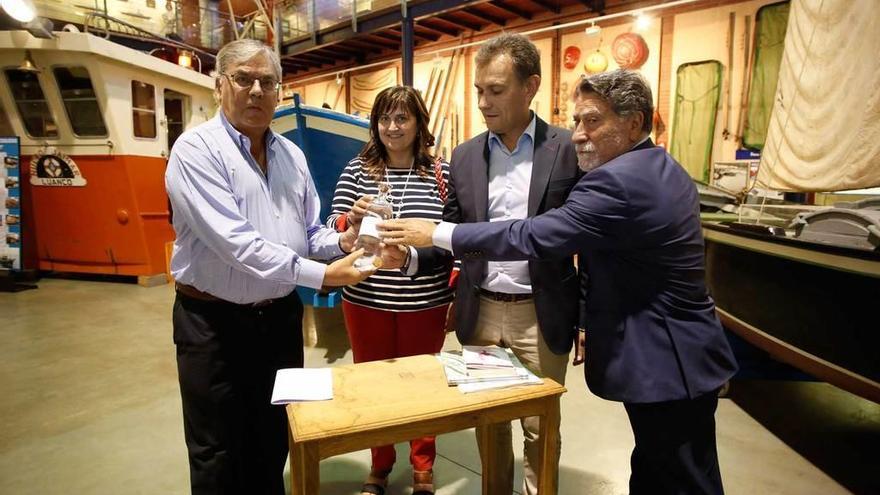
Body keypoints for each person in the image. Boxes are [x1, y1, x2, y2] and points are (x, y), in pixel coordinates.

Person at [380, 69, 739, 495]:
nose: (578, 135)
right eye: (576, 122)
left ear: (634, 124)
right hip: (664, 352)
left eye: (592, 121)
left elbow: (535, 235)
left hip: (662, 359)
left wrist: (437, 232)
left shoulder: (616, 180)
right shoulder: (656, 164)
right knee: (657, 465)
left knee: (682, 476)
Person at [165, 39, 372, 495]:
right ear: (220, 85)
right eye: (244, 78)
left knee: (272, 435)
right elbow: (238, 245)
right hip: (213, 324)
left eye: (267, 81)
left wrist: (344, 240)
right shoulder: (196, 151)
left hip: (278, 320)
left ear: (280, 90)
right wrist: (325, 276)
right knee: (217, 449)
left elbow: (306, 233)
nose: (256, 90)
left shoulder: (292, 157)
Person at [412, 33, 581, 495]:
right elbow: (451, 234)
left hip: (540, 311)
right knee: (489, 421)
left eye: (497, 90)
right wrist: (408, 255)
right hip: (481, 309)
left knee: (540, 425)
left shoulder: (566, 150)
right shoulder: (465, 156)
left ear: (531, 87)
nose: (485, 102)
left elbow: (589, 240)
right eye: (478, 91)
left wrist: (587, 317)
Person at [325, 85, 453, 495]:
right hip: (366, 301)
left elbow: (453, 240)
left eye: (402, 118)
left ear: (419, 124)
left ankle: (422, 468)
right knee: (373, 383)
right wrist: (351, 217)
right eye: (384, 119)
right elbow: (332, 230)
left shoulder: (441, 175)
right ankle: (380, 464)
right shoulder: (357, 170)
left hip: (425, 302)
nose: (392, 127)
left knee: (422, 385)